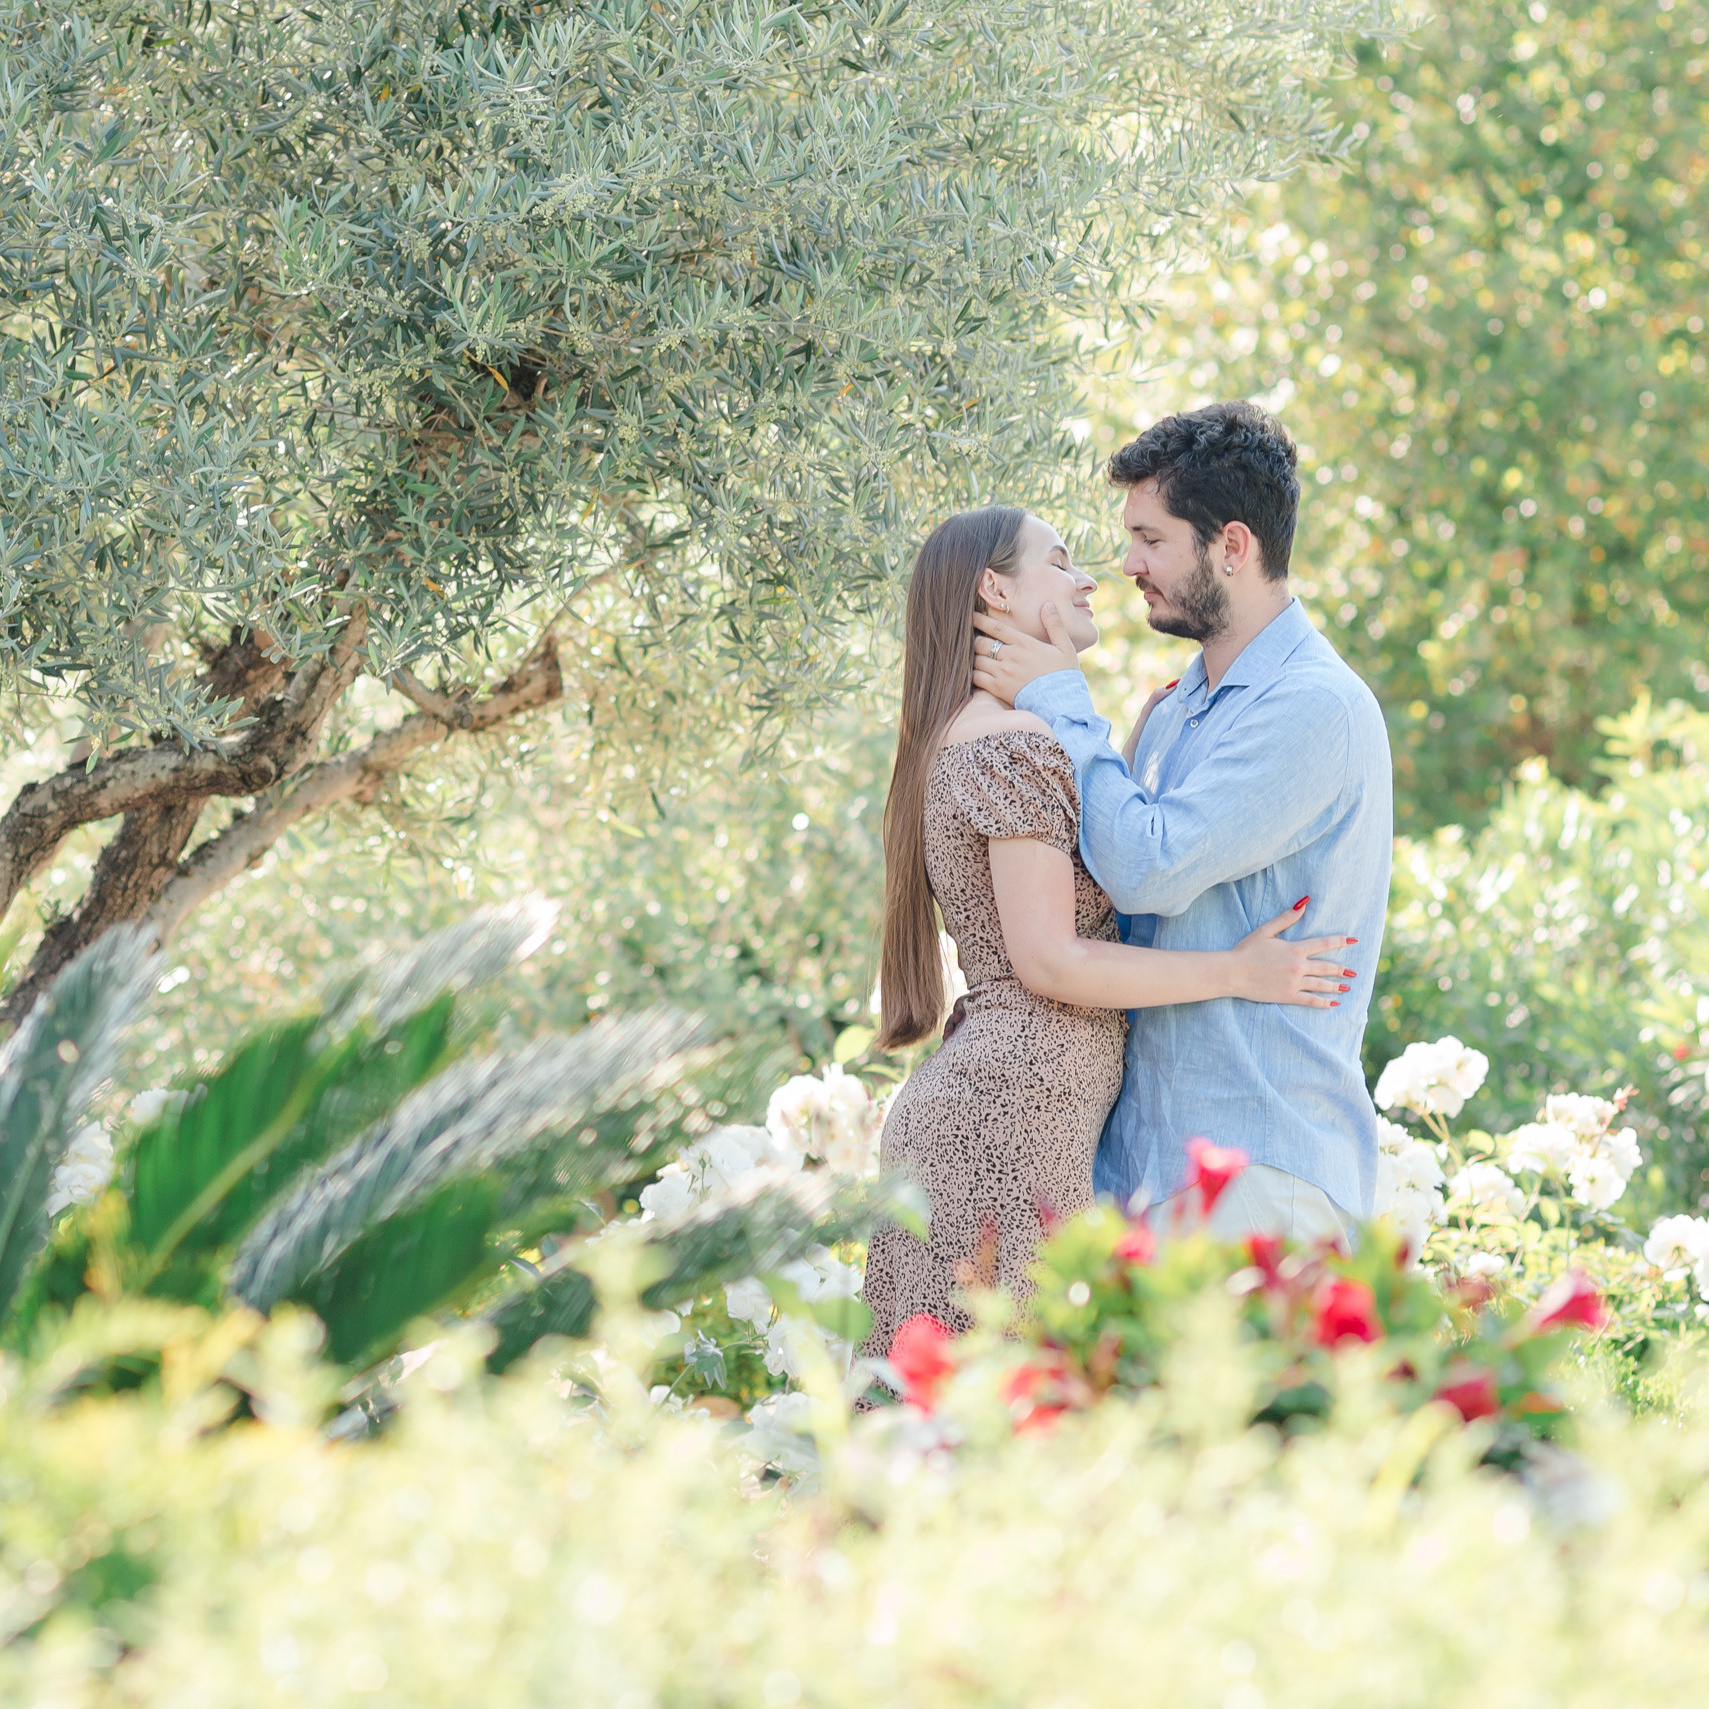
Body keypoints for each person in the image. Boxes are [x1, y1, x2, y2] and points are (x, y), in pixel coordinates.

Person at [859, 503, 1356, 1359]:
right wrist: (1236, 971)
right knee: (984, 1408)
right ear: (993, 589)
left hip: (1008, 1107)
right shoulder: (1011, 743)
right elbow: (1052, 956)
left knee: (952, 1411)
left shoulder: (987, 736)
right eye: (1058, 561)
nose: (1092, 574)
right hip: (1007, 1119)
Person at [970, 401, 1393, 1244]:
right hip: (1147, 1171)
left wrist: (1057, 697)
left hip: (1255, 1173)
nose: (1126, 563)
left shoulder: (1314, 707)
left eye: (1151, 539)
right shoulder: (1172, 713)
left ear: (1232, 546)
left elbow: (1147, 869)